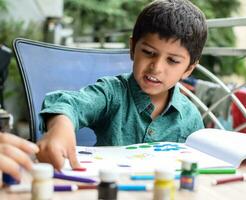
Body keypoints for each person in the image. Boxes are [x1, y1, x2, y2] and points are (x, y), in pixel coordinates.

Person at [37, 0, 208, 170]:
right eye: (148, 53)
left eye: (172, 60)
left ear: (188, 69)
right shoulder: (112, 93)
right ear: (133, 48)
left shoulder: (191, 118)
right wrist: (61, 126)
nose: (156, 68)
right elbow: (67, 104)